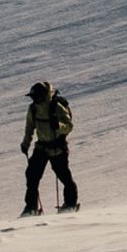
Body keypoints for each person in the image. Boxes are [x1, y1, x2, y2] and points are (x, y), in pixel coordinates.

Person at [19, 79, 79, 215]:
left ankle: (70, 204)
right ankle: (31, 207)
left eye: (35, 97)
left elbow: (69, 126)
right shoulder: (33, 109)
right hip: (42, 147)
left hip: (58, 147)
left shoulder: (56, 107)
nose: (34, 99)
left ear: (43, 95)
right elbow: (29, 128)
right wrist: (25, 144)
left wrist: (59, 126)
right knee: (31, 176)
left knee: (64, 176)